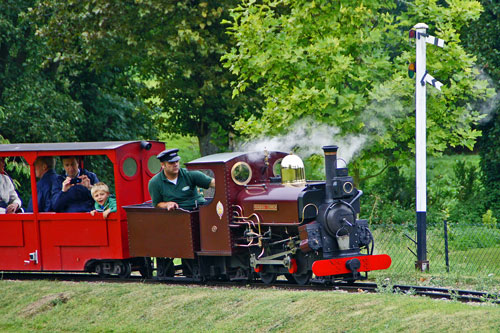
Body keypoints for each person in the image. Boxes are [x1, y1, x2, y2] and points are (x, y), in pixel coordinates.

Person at [148, 148, 215, 211]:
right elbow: (157, 204)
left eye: (177, 161)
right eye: (171, 163)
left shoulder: (190, 174)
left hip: (199, 210)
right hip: (177, 215)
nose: (175, 164)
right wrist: (167, 204)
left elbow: (213, 183)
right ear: (163, 165)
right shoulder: (155, 182)